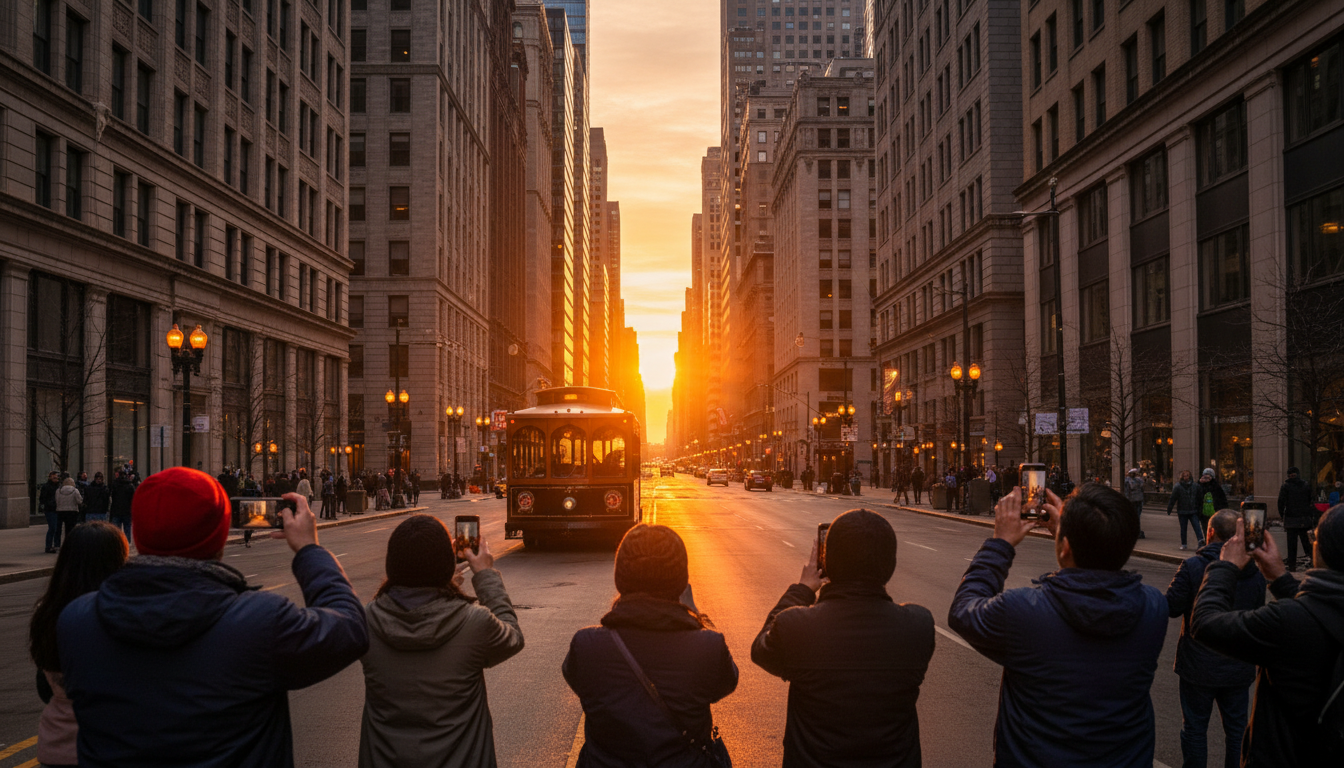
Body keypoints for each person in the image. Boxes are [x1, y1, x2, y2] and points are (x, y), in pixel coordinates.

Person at [58, 467, 369, 767]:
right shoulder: (259, 621)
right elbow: (350, 627)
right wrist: (309, 550)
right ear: (219, 536)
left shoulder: (77, 621)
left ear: (138, 532)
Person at [948, 483, 1168, 767]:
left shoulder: (1024, 612)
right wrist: (1075, 536)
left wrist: (999, 543)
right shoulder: (1153, 608)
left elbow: (963, 610)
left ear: (1064, 549)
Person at [752, 509, 934, 767]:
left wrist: (802, 589)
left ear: (828, 563)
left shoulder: (797, 627)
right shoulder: (918, 625)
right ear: (890, 565)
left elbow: (761, 649)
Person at [563, 524, 739, 767]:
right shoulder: (708, 647)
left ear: (620, 578)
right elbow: (725, 684)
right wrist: (694, 616)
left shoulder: (587, 646)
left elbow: (578, 681)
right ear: (681, 581)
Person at [358, 515, 524, 767]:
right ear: (446, 564)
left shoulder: (366, 621)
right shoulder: (474, 623)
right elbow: (512, 636)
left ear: (392, 565)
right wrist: (485, 575)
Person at [1191, 505, 1344, 766]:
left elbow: (1205, 624)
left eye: (1313, 537)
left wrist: (1225, 566)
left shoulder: (1287, 621)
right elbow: (1321, 612)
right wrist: (1280, 578)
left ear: (1323, 549)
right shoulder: (1309, 615)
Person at [1164, 509, 1265, 768]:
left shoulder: (1194, 566)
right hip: (1238, 666)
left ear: (1210, 533)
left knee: (1195, 728)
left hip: (1198, 665)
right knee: (1237, 731)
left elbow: (1172, 607)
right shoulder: (1255, 572)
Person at [29, 521, 129, 768]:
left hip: (58, 743)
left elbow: (45, 686)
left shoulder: (48, 611)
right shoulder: (124, 613)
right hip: (113, 743)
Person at [1278, 467, 1317, 572]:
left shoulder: (1286, 487)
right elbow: (1311, 500)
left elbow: (1281, 503)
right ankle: (1314, 563)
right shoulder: (1305, 485)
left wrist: (1283, 516)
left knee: (1292, 545)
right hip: (1304, 519)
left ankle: (1292, 566)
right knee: (1307, 543)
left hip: (1291, 519)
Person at [1168, 470, 1204, 550]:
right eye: (1184, 476)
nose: (1186, 477)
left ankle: (1201, 541)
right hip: (1182, 510)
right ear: (1182, 477)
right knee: (1183, 528)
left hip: (1193, 510)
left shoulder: (1195, 486)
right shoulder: (1178, 486)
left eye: (1187, 475)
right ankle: (1184, 544)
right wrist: (1169, 508)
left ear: (1190, 476)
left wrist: (1200, 508)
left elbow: (1199, 497)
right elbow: (1173, 498)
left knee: (1197, 526)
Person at [54, 478, 83, 545]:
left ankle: (57, 544)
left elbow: (56, 500)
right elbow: (79, 501)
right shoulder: (75, 491)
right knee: (70, 528)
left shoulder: (58, 490)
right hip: (72, 511)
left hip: (60, 511)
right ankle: (69, 543)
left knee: (58, 529)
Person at [108, 470, 135, 539]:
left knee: (116, 531)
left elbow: (111, 496)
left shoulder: (114, 484)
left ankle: (118, 544)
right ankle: (127, 544)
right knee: (127, 529)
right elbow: (133, 498)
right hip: (127, 511)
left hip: (116, 510)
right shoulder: (129, 485)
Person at [39, 471, 61, 553]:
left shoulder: (58, 486)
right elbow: (43, 498)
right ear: (50, 477)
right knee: (52, 528)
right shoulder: (47, 486)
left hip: (57, 509)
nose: (55, 479)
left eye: (56, 477)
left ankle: (55, 545)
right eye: (54, 477)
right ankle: (48, 546)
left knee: (56, 528)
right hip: (50, 509)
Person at [1124, 468, 1147, 540]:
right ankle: (1135, 530)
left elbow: (1127, 492)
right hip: (1137, 500)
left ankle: (1135, 530)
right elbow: (1142, 489)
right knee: (1136, 516)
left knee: (1135, 516)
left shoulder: (1129, 481)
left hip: (1135, 500)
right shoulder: (1138, 480)